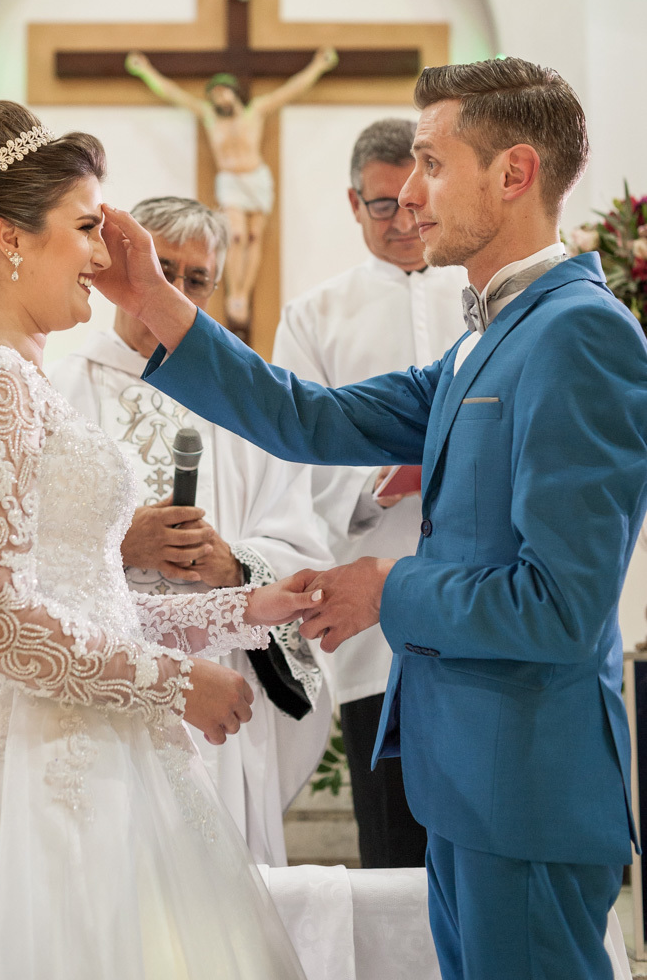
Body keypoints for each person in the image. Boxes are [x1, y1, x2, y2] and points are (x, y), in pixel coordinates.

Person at [100, 57, 647, 980]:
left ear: (513, 173)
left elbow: (562, 603)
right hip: (468, 780)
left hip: (528, 784)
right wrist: (158, 305)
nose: (412, 191)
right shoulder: (489, 335)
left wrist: (387, 587)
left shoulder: (579, 333)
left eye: (432, 162)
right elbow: (311, 417)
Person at [0, 100, 322, 980]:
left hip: (78, 734)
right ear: (10, 238)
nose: (105, 258)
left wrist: (240, 608)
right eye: (85, 229)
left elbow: (80, 588)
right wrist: (175, 683)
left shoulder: (16, 377)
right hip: (28, 766)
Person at [51, 195, 332, 866]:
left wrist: (233, 564)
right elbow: (20, 551)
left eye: (195, 279)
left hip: (219, 682)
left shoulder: (243, 400)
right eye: (163, 268)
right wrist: (120, 545)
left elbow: (301, 545)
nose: (172, 291)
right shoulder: (60, 390)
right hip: (99, 678)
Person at [273, 118, 466, 868]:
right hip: (373, 633)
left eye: (413, 202)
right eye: (382, 205)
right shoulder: (316, 317)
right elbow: (290, 464)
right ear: (353, 204)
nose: (403, 221)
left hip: (480, 606)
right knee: (395, 852)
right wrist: (395, 478)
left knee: (483, 847)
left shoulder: (482, 297)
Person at [124, 47, 338, 334]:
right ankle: (235, 292)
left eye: (223, 92)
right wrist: (145, 70)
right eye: (215, 95)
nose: (219, 99)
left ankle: (244, 294)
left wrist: (317, 67)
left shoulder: (256, 111)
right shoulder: (210, 116)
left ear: (234, 92)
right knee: (235, 236)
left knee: (253, 236)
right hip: (230, 182)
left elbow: (290, 90)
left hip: (257, 179)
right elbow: (172, 93)